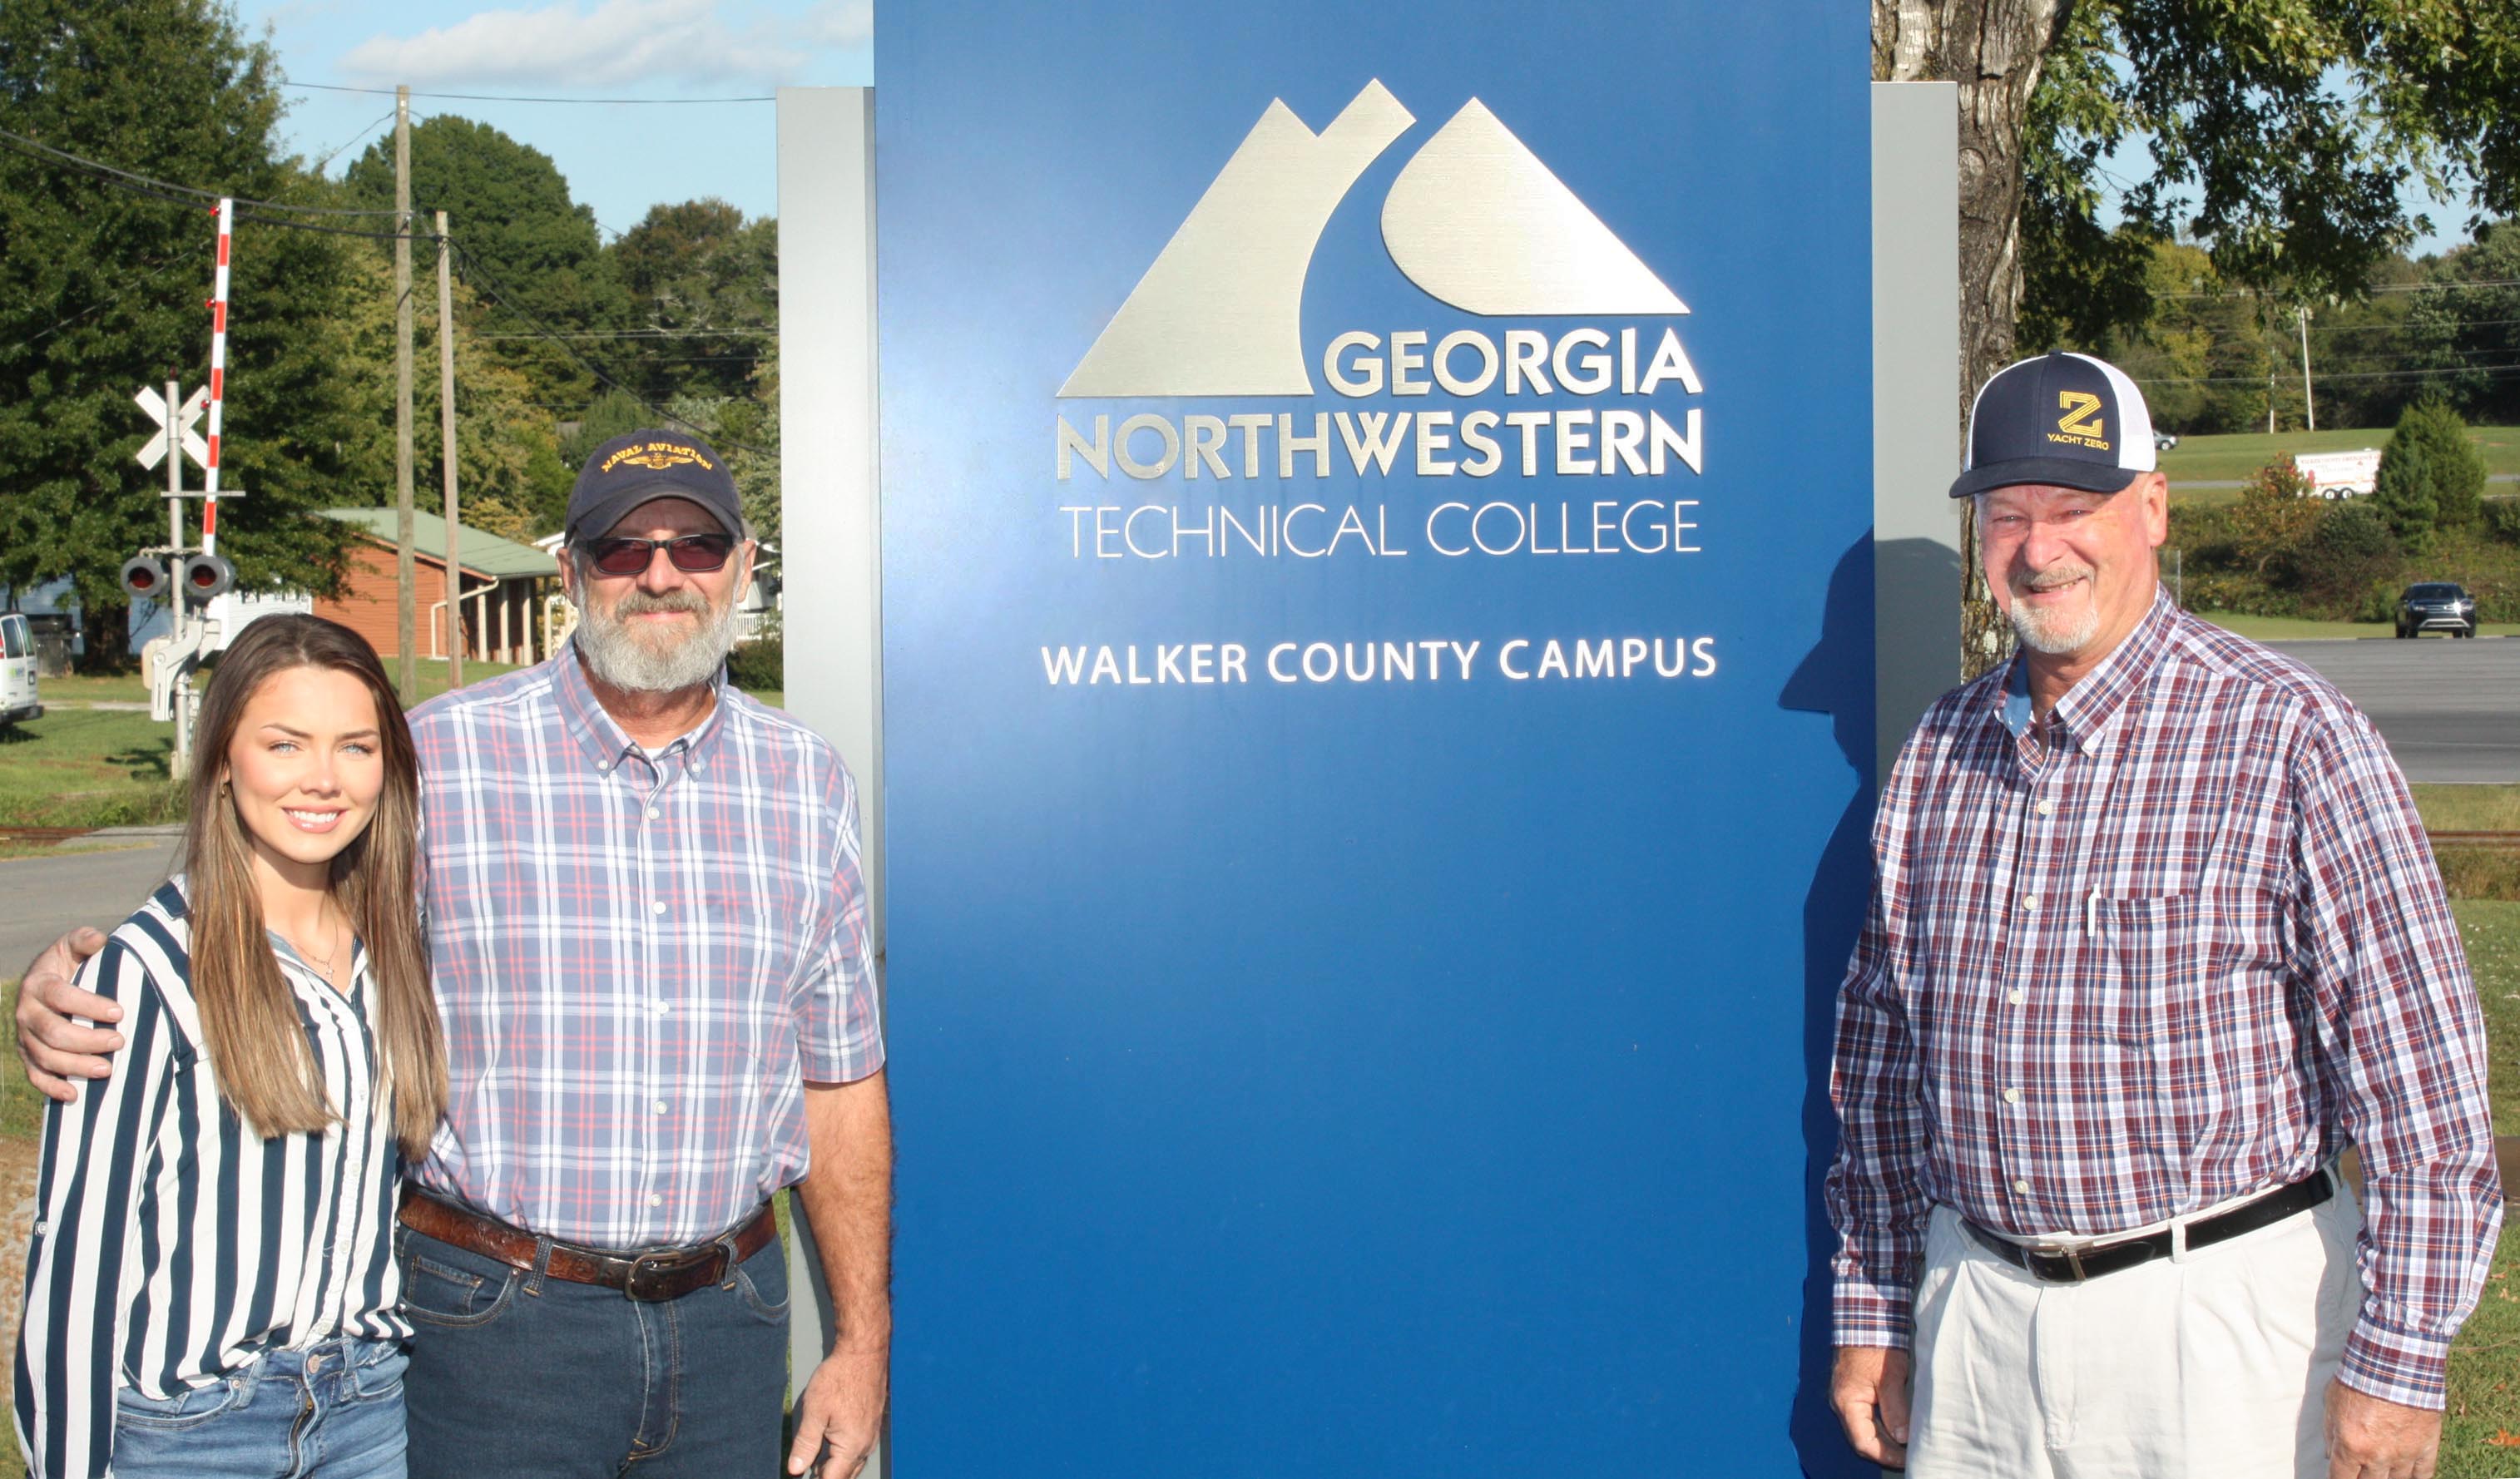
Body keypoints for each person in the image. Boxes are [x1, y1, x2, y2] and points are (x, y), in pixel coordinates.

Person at [18, 430, 890, 1479]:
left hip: (729, 1325)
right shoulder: (437, 757)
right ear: (570, 572)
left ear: (743, 566)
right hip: (494, 1326)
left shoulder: (808, 784)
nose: (660, 573)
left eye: (696, 544)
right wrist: (76, 972)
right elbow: (271, 897)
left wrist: (859, 1339)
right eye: (622, 547)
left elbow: (838, 1082)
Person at [1824, 352, 2501, 1479]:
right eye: (2009, 511)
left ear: (2150, 506)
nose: (2040, 547)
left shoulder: (2289, 737)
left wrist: (2397, 1361)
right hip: (1977, 1313)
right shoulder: (1936, 756)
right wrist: (1877, 1302)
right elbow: (1885, 1069)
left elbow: (2423, 1088)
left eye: (2075, 506)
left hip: (2218, 1330)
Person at [13, 614, 443, 1479]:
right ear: (222, 761)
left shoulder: (395, 949)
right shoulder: (150, 967)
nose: (323, 779)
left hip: (363, 1412)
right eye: (285, 744)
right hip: (190, 1428)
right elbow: (76, 1262)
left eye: (355, 747)